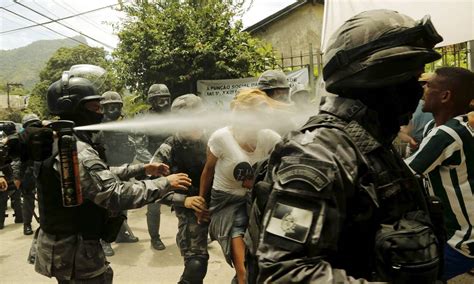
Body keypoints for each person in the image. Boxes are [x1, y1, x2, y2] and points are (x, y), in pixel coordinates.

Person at [248, 10, 445, 283]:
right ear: (377, 80)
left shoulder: (371, 144)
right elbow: (284, 272)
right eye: (410, 79)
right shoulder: (318, 154)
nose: (418, 92)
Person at [28, 64, 192, 283]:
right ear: (76, 109)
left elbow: (97, 175)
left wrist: (142, 168)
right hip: (76, 251)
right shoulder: (75, 149)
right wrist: (165, 183)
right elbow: (114, 195)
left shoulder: (57, 140)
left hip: (63, 246)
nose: (101, 113)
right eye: (96, 108)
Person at [199, 89, 284, 284]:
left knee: (263, 264)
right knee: (244, 270)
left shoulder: (270, 137)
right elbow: (208, 171)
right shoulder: (221, 138)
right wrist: (201, 203)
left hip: (257, 202)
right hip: (227, 205)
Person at [405, 67, 474, 280]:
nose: (423, 89)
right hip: (449, 232)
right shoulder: (434, 129)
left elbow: (404, 173)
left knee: (409, 275)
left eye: (429, 86)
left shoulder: (447, 134)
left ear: (445, 96)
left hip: (462, 241)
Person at [151, 94, 210, 284]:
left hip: (223, 204)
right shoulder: (169, 148)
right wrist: (184, 201)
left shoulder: (214, 139)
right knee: (196, 266)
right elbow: (151, 189)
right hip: (191, 211)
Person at [96, 91, 139, 256]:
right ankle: (104, 240)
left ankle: (121, 234)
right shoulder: (98, 127)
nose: (114, 110)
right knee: (106, 207)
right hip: (105, 171)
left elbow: (130, 148)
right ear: (103, 108)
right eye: (110, 107)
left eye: (117, 106)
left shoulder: (122, 126)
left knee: (124, 202)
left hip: (123, 169)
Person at [134, 83, 172, 251]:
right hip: (154, 165)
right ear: (152, 101)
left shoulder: (175, 117)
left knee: (187, 197)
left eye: (166, 99)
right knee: (154, 203)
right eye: (159, 100)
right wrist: (154, 164)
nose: (164, 103)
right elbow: (139, 147)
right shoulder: (145, 120)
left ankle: (190, 233)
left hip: (175, 163)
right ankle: (154, 238)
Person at [15, 113, 42, 235]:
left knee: (44, 198)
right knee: (28, 200)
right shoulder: (21, 139)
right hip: (29, 172)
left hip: (44, 170)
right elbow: (18, 160)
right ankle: (27, 224)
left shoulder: (46, 135)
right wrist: (17, 177)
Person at [398, 72, 435, 155]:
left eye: (427, 84)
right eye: (422, 84)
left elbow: (400, 130)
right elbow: (400, 129)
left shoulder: (414, 104)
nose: (423, 87)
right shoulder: (413, 104)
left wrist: (409, 139)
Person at [0, 121, 23, 229]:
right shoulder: (21, 138)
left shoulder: (5, 142)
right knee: (16, 196)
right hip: (15, 170)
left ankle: (0, 222)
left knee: (2, 198)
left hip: (6, 170)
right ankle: (19, 217)